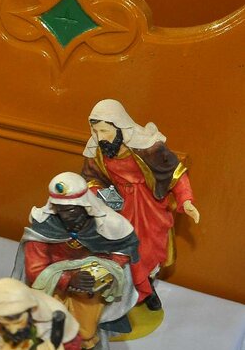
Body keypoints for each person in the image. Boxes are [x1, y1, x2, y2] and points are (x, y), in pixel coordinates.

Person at [81, 99, 200, 310]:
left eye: (105, 131)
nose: (100, 137)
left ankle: (147, 289)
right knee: (120, 252)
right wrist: (104, 194)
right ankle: (124, 292)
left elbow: (175, 173)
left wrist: (186, 200)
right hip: (118, 209)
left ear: (119, 126)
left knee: (148, 252)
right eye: (96, 131)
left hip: (149, 209)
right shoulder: (97, 152)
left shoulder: (148, 147)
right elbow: (91, 179)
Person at [13, 172, 139, 350]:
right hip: (52, 285)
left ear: (84, 206)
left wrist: (102, 272)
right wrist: (68, 279)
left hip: (89, 289)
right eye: (60, 209)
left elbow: (121, 251)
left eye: (70, 210)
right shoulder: (45, 227)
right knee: (46, 323)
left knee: (85, 330)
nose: (65, 216)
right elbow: (35, 269)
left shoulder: (107, 224)